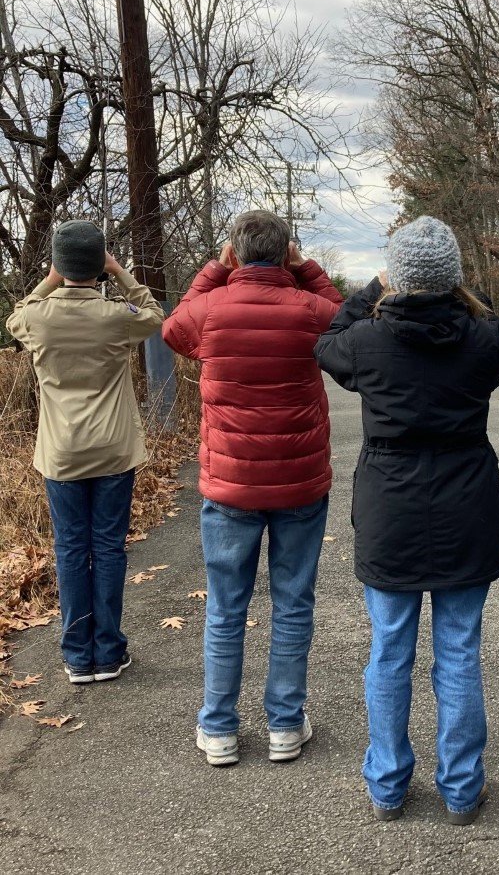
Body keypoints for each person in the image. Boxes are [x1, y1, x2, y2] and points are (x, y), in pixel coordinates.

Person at [315, 216, 499, 825]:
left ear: (397, 278)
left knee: (388, 650)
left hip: (391, 509)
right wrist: (458, 289)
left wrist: (374, 285)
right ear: (455, 280)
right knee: (458, 651)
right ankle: (461, 788)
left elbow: (329, 337)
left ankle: (387, 784)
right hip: (467, 506)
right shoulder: (482, 342)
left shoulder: (368, 343)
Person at [162, 211, 343, 766]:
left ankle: (218, 728)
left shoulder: (212, 309)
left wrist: (215, 271)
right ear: (286, 251)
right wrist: (307, 268)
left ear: (234, 254)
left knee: (226, 607)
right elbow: (348, 324)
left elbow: (173, 328)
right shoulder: (310, 310)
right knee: (292, 604)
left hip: (230, 484)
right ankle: (285, 725)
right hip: (300, 484)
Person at [6, 221, 165, 684]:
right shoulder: (116, 316)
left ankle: (78, 655)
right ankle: (110, 651)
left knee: (71, 549)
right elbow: (153, 313)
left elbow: (18, 311)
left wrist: (52, 279)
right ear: (99, 264)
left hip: (61, 454)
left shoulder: (37, 319)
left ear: (58, 264)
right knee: (109, 548)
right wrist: (119, 272)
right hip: (113, 450)